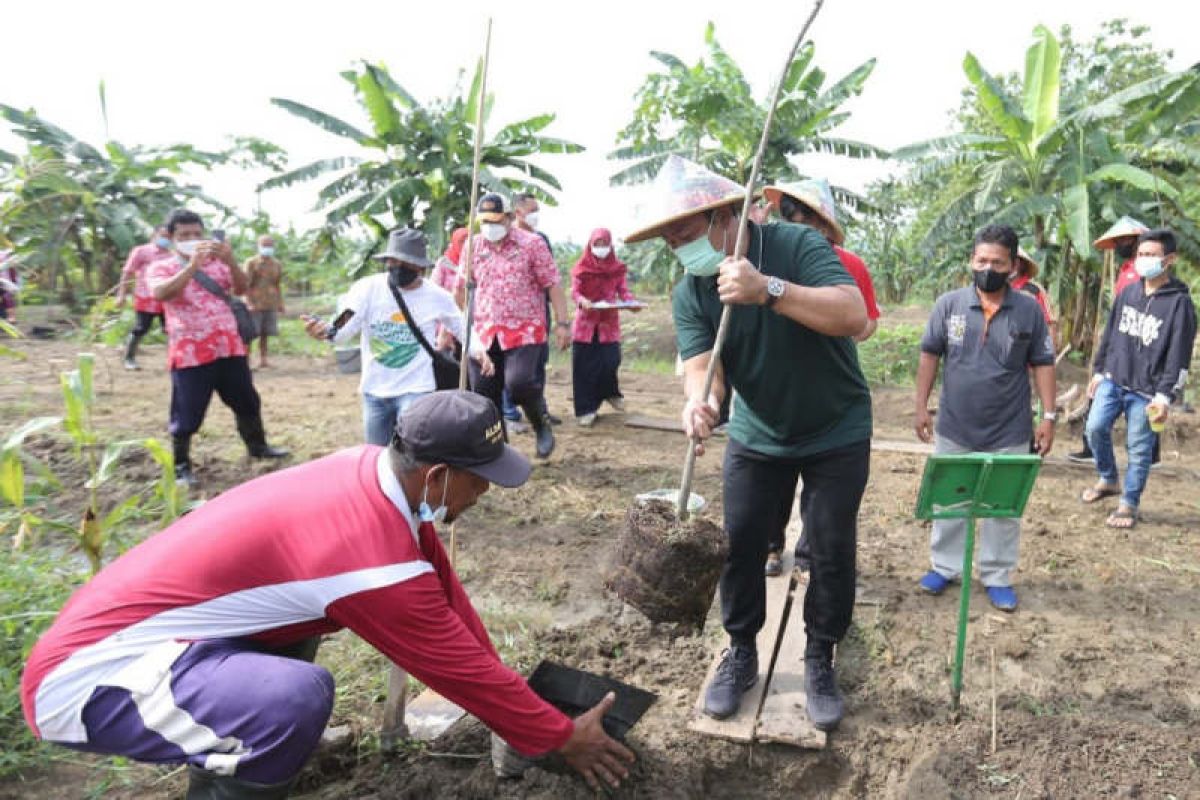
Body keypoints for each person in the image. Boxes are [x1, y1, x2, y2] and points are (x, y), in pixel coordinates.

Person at [21, 391, 635, 799]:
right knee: (293, 701)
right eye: (482, 482)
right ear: (439, 475)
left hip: (168, 640)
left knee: (300, 620)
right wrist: (557, 736)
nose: (484, 496)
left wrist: (518, 701)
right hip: (91, 679)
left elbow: (446, 602)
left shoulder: (373, 471)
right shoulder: (366, 565)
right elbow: (452, 666)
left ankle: (227, 760)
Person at [626, 155, 871, 731]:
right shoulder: (691, 290)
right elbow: (701, 364)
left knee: (831, 548)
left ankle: (819, 656)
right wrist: (702, 400)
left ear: (725, 218)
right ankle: (740, 653)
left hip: (836, 427)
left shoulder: (794, 247)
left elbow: (852, 313)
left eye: (685, 234)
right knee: (739, 545)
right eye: (670, 241)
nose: (679, 249)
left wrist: (768, 290)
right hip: (758, 431)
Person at [914, 224, 1057, 612]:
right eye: (981, 260)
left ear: (1012, 266)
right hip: (956, 424)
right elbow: (930, 354)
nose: (988, 267)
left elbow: (1043, 362)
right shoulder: (949, 304)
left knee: (1001, 508)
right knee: (951, 502)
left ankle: (996, 574)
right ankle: (945, 567)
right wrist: (920, 404)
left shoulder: (1029, 309)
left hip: (1009, 426)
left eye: (997, 262)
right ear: (971, 261)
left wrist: (1049, 416)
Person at [761, 178, 883, 577]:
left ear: (825, 226)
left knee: (822, 490)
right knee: (774, 485)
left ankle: (810, 554)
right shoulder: (767, 261)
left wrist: (831, 324)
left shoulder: (850, 266)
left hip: (830, 392)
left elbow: (865, 322)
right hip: (776, 393)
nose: (796, 225)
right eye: (789, 216)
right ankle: (772, 546)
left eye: (805, 218)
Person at [305, 228, 491, 445]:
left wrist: (478, 350)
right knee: (376, 453)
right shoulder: (367, 289)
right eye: (393, 261)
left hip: (416, 390)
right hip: (375, 391)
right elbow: (343, 325)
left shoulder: (437, 296)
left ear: (420, 267)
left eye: (407, 263)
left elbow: (461, 327)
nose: (399, 268)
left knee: (411, 449)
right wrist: (326, 331)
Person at [147, 209, 289, 487]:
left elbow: (240, 288)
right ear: (172, 238)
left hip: (229, 347)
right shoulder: (162, 266)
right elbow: (161, 294)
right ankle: (181, 466)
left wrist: (230, 260)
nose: (192, 239)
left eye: (197, 234)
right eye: (185, 235)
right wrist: (191, 267)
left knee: (247, 400)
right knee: (187, 411)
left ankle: (258, 446)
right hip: (191, 351)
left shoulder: (217, 264)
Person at [1080, 228, 1196, 529]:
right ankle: (1108, 478)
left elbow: (1179, 354)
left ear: (1169, 260)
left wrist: (1165, 395)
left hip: (1148, 392)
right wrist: (1099, 370)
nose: (1144, 260)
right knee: (1094, 428)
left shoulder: (1179, 304)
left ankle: (1128, 504)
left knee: (1139, 449)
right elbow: (1110, 333)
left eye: (1151, 255)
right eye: (1141, 254)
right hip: (1114, 379)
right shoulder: (1128, 293)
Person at [457, 193, 570, 459]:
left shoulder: (532, 244)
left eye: (496, 221)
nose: (490, 227)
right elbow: (460, 288)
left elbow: (552, 283)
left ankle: (540, 423)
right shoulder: (473, 247)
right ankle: (501, 451)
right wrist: (460, 325)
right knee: (485, 397)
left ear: (509, 218)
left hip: (524, 329)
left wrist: (563, 323)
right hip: (484, 331)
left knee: (519, 383)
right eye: (484, 222)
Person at [1069, 216, 1150, 463]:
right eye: (1120, 241)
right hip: (1118, 338)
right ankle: (1091, 444)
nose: (1122, 244)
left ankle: (1146, 451)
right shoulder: (1125, 270)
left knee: (1133, 395)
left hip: (1138, 341)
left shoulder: (1144, 271)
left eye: (1127, 239)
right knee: (1102, 388)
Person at [570, 228, 641, 426]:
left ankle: (610, 393)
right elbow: (575, 293)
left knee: (611, 361)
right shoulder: (581, 268)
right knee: (584, 368)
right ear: (590, 246)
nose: (601, 249)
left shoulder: (617, 269)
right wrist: (582, 300)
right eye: (597, 245)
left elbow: (624, 292)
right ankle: (586, 410)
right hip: (585, 325)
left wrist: (631, 303)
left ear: (610, 246)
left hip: (608, 325)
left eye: (604, 245)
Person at [512, 192, 563, 427]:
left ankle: (540, 411)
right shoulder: (507, 241)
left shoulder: (541, 239)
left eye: (537, 210)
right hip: (512, 315)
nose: (536, 215)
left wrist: (560, 317)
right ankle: (510, 413)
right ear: (517, 212)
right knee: (512, 367)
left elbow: (550, 279)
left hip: (539, 313)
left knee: (539, 363)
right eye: (532, 210)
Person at [116, 227, 171, 370]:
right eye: (163, 235)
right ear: (154, 235)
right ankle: (129, 358)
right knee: (141, 328)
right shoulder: (142, 251)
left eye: (168, 236)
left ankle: (175, 360)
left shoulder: (172, 255)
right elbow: (127, 272)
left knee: (171, 329)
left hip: (167, 297)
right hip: (146, 297)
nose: (166, 239)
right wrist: (121, 294)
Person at [243, 234, 286, 369]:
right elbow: (245, 284)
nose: (267, 248)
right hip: (255, 303)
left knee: (265, 333)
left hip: (270, 303)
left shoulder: (276, 264)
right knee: (250, 333)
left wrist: (280, 303)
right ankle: (246, 361)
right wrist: (248, 302)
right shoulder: (251, 263)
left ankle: (263, 360)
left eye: (269, 245)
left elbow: (277, 284)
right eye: (264, 245)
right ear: (258, 246)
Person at [1012, 247, 1057, 345]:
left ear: (1021, 264)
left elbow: (1049, 323)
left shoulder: (1034, 290)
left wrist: (1049, 355)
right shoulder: (994, 289)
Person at [0, 248, 19, 324]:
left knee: (7, 297)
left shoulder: (5, 254)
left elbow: (12, 271)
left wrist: (14, 283)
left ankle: (11, 317)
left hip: (5, 283)